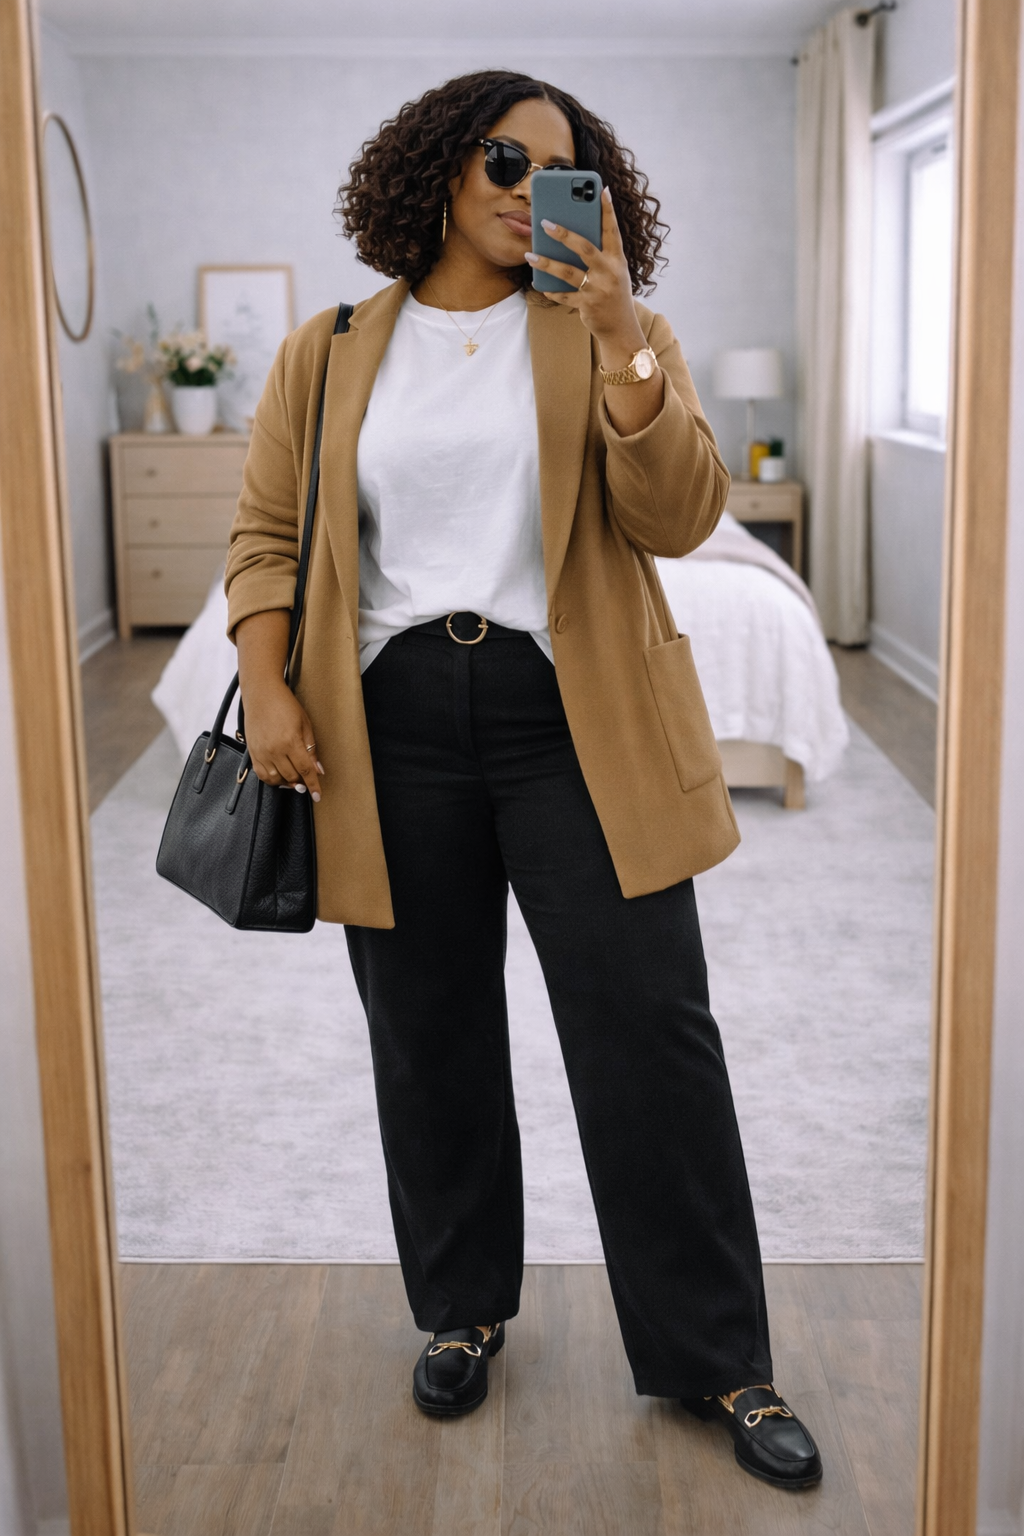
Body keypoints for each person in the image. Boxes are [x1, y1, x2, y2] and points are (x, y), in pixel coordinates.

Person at [225, 69, 821, 1490]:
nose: (526, 187)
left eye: (565, 171)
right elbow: (264, 529)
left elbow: (678, 515)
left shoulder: (616, 332)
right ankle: (463, 1310)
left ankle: (714, 1358)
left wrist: (621, 334)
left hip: (576, 717)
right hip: (393, 721)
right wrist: (265, 684)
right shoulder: (334, 346)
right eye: (504, 157)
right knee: (425, 1034)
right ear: (441, 168)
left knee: (649, 1030)